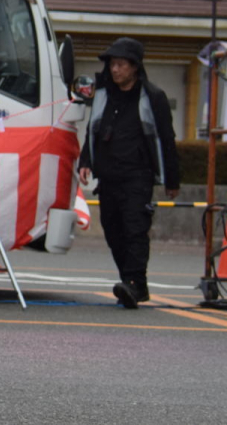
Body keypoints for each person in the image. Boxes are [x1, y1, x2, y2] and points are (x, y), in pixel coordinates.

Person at [77, 37, 180, 309]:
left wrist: (172, 179)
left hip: (138, 175)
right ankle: (131, 283)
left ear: (134, 67)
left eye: (121, 64)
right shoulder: (103, 94)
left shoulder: (153, 97)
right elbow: (92, 130)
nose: (114, 69)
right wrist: (85, 160)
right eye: (112, 64)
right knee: (113, 230)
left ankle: (134, 283)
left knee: (135, 229)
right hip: (108, 176)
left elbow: (166, 139)